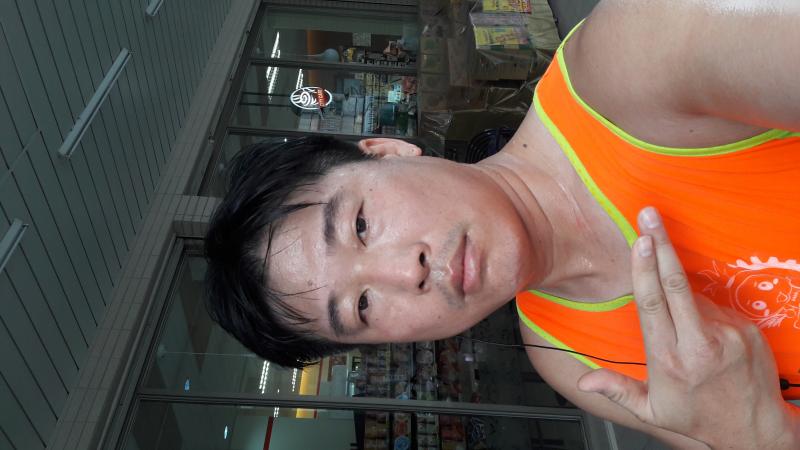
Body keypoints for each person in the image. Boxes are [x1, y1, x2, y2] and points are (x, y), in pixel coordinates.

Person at [204, 1, 800, 448]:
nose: (405, 272)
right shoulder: (569, 360)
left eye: (360, 224)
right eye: (361, 307)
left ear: (387, 151)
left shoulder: (632, 66)